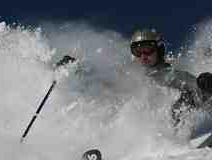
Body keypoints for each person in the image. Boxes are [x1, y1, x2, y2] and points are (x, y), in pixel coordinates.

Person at [57, 28, 212, 127]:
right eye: (138, 52)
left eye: (148, 50)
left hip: (172, 127)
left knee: (188, 92)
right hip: (135, 130)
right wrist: (75, 68)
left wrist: (205, 83)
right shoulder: (128, 75)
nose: (143, 56)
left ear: (159, 50)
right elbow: (99, 80)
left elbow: (193, 85)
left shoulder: (173, 73)